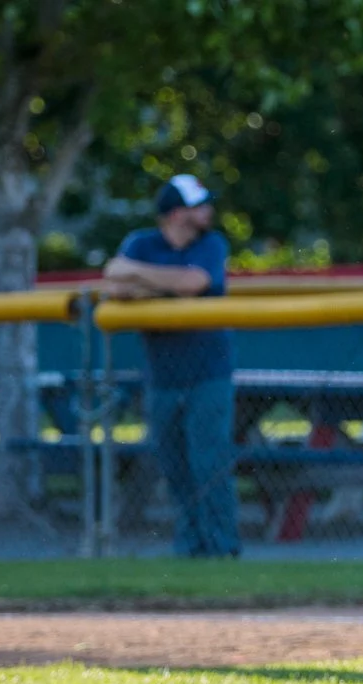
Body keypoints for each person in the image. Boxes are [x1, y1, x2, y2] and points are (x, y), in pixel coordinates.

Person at [101, 174, 240, 558]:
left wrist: (142, 279)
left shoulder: (210, 243)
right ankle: (191, 548)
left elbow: (194, 282)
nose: (209, 212)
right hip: (162, 376)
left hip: (209, 372)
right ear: (178, 213)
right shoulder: (141, 242)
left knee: (208, 463)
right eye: (201, 206)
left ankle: (222, 548)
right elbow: (113, 281)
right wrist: (167, 284)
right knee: (175, 466)